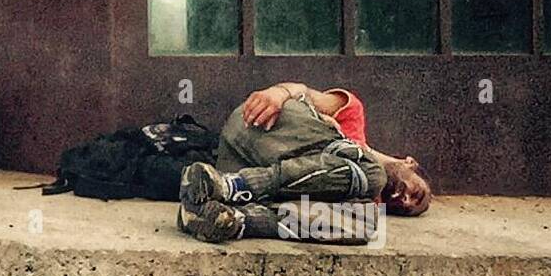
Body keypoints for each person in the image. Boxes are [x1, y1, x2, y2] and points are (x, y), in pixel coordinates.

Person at [178, 81, 432, 244]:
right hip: (257, 127)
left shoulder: (363, 202)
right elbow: (304, 91)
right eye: (416, 193)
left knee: (365, 225)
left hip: (237, 168)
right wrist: (279, 93)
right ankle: (230, 186)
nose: (404, 200)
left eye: (403, 208)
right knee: (372, 174)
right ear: (409, 163)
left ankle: (226, 219)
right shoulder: (353, 115)